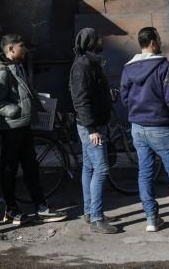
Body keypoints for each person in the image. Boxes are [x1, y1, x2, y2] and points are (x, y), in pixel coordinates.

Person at [120, 26, 169, 232]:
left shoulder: (128, 68)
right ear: (154, 43)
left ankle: (151, 220)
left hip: (138, 127)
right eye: (159, 39)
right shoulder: (163, 66)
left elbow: (124, 97)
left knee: (145, 173)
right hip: (161, 127)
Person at [0, 34, 68, 225]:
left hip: (23, 125)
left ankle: (41, 207)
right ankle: (11, 209)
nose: (25, 49)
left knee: (31, 166)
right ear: (10, 49)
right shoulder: (3, 72)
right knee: (9, 168)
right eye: (21, 46)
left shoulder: (17, 67)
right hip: (12, 127)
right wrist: (15, 111)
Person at [69, 28, 119, 235]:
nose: (102, 40)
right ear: (91, 42)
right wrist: (91, 129)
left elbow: (93, 94)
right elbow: (80, 99)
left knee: (89, 167)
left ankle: (90, 212)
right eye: (99, 38)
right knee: (102, 168)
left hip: (94, 123)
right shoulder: (83, 66)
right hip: (91, 126)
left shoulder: (90, 63)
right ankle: (97, 217)